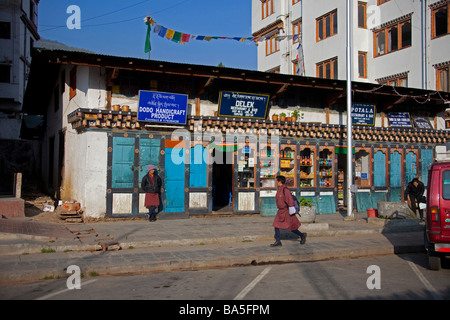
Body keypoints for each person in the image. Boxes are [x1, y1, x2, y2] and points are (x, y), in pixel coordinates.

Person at [271, 175, 307, 247]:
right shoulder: (280, 189)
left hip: (286, 211)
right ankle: (278, 241)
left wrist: (291, 209)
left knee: (291, 227)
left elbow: (290, 200)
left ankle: (302, 235)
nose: (276, 182)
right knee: (276, 225)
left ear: (279, 181)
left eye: (276, 181)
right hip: (280, 211)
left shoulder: (285, 190)